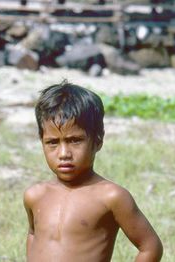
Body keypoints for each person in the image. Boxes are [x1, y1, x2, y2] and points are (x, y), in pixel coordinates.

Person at [24, 80, 163, 262]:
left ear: (97, 141)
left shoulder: (111, 197)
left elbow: (150, 247)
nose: (64, 154)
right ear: (41, 141)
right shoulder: (35, 195)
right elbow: (34, 235)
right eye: (53, 142)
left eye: (75, 140)